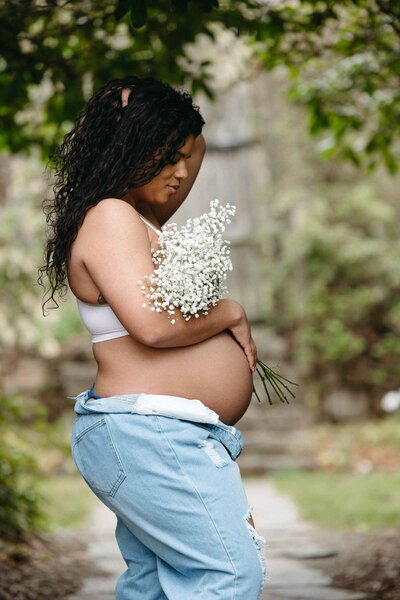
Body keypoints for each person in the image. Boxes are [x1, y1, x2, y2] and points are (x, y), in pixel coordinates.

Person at [39, 75, 266, 599]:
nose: (182, 171)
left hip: (152, 434)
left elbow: (188, 156)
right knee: (229, 574)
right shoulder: (113, 217)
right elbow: (152, 326)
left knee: (156, 586)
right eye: (168, 155)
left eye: (186, 157)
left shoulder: (134, 220)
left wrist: (177, 128)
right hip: (149, 435)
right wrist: (230, 311)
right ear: (130, 148)